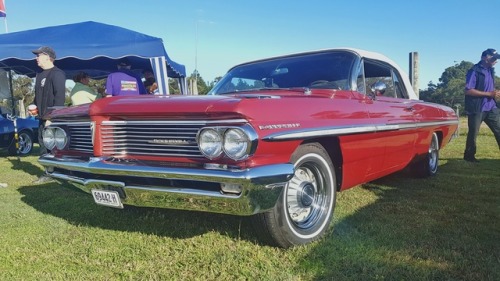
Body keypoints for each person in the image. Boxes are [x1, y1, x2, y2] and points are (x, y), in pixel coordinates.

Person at [31, 46, 66, 183]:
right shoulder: (39, 75)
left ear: (47, 57)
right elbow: (38, 96)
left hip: (52, 119)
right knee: (42, 144)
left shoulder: (57, 73)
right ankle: (48, 172)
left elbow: (60, 98)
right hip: (42, 118)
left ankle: (56, 173)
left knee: (53, 147)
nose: (36, 58)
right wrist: (33, 106)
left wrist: (52, 117)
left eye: (38, 55)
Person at [463, 48, 500, 163]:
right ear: (485, 58)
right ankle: (469, 157)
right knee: (473, 132)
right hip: (477, 107)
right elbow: (468, 90)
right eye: (493, 58)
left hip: (491, 106)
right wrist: (489, 93)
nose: (496, 61)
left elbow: (487, 87)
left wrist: (494, 93)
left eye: (497, 59)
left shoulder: (491, 71)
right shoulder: (474, 70)